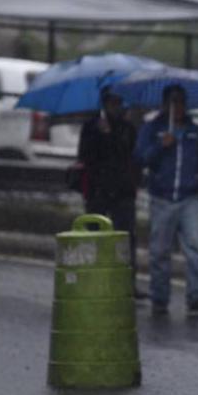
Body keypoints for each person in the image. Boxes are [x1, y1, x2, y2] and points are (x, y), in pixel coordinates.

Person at [133, 84, 198, 316]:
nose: (177, 107)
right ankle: (160, 297)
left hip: (189, 198)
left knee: (196, 246)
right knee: (159, 251)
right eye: (172, 102)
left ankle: (197, 296)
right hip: (162, 197)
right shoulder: (152, 129)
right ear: (165, 104)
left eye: (180, 102)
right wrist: (161, 146)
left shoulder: (195, 132)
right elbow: (140, 158)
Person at [76, 87, 143, 296]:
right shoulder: (90, 127)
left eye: (118, 103)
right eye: (111, 103)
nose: (115, 107)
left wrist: (111, 135)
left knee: (125, 238)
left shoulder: (127, 128)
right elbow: (85, 155)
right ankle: (93, 279)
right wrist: (99, 135)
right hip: (98, 189)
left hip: (122, 190)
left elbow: (129, 155)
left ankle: (127, 282)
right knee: (94, 235)